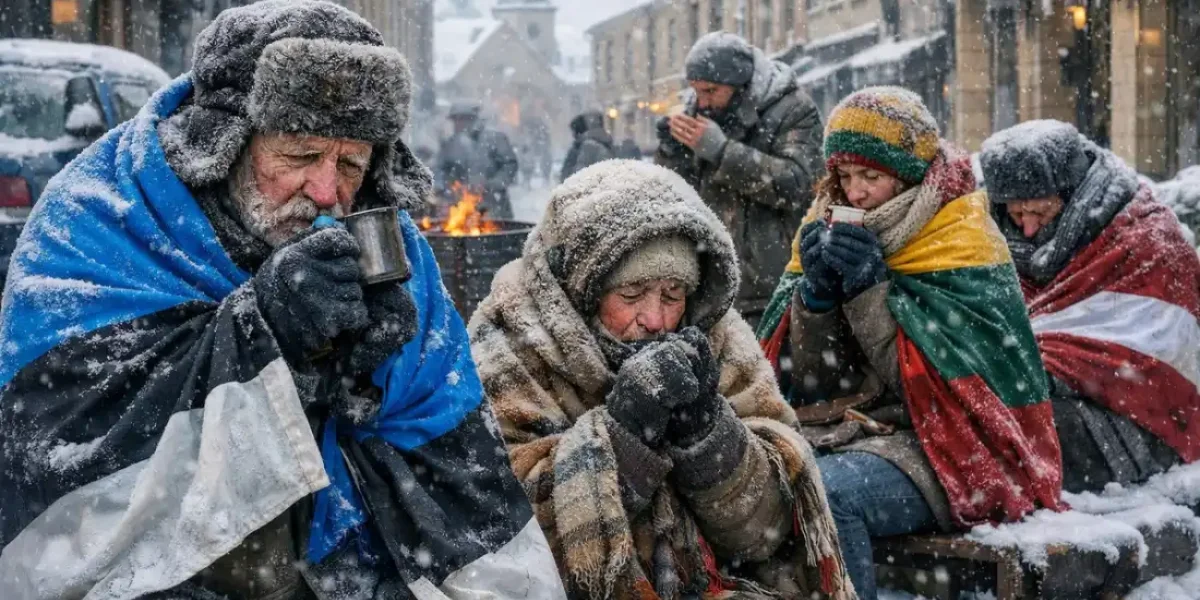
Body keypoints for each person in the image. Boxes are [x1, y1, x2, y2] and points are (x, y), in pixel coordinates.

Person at [0, 2, 566, 598]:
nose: (327, 193)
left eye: (351, 162)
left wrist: (360, 384)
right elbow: (61, 469)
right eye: (298, 155)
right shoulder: (97, 222)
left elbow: (459, 475)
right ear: (224, 144)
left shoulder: (391, 248)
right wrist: (265, 334)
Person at [469, 160, 854, 599]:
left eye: (672, 295)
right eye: (631, 295)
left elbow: (766, 532)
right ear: (584, 289)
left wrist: (708, 434)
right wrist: (623, 438)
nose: (656, 319)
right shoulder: (512, 344)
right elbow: (504, 536)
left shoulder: (717, 338)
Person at [756, 88, 1065, 600]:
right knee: (747, 472)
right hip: (855, 428)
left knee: (830, 494)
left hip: (955, 444)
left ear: (908, 173)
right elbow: (806, 380)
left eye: (871, 177)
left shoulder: (959, 233)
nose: (854, 195)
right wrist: (814, 299)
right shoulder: (822, 221)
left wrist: (870, 290)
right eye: (845, 177)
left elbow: (934, 384)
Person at [980, 120, 1200, 493]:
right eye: (1016, 216)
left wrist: (1047, 371)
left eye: (1040, 213)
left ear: (1075, 195)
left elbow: (1167, 347)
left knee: (994, 440)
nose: (1028, 230)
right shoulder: (991, 238)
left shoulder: (1145, 239)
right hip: (1041, 399)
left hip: (1137, 420)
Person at [656, 31, 825, 326]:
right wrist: (672, 152)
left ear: (740, 84)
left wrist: (722, 151)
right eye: (696, 91)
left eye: (711, 91)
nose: (702, 101)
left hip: (772, 281)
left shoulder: (793, 109)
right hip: (712, 280)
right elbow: (676, 193)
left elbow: (799, 184)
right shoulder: (700, 109)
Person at [434, 102, 519, 218]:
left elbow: (510, 164)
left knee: (496, 232)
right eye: (455, 120)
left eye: (462, 119)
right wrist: (444, 188)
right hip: (463, 207)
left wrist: (493, 184)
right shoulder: (451, 143)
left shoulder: (495, 138)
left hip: (494, 204)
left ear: (472, 119)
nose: (457, 123)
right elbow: (440, 169)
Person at [559, 110, 614, 181]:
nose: (573, 135)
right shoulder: (601, 143)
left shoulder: (588, 146)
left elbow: (580, 172)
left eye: (574, 131)